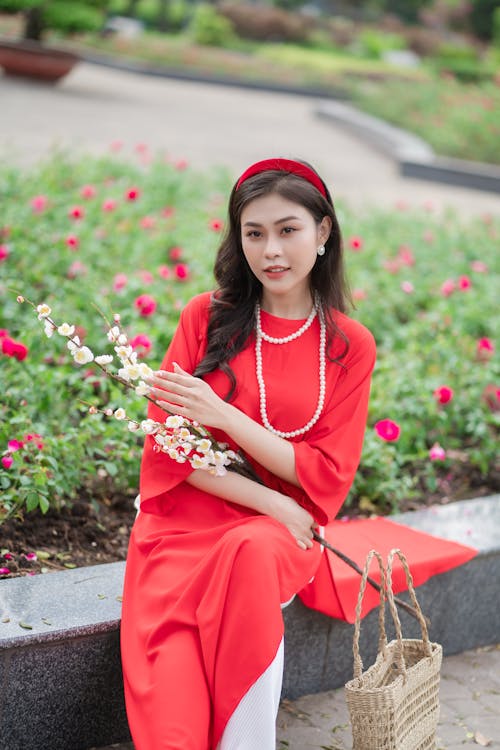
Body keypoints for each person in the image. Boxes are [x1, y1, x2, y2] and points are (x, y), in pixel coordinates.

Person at [120, 157, 376, 750]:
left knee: (254, 549)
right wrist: (273, 502)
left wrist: (228, 420)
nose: (272, 251)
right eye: (254, 233)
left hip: (277, 536)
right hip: (186, 522)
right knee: (172, 704)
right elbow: (171, 451)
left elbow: (326, 472)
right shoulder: (205, 318)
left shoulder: (347, 346)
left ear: (323, 231)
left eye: (288, 230)